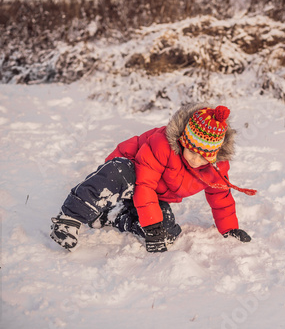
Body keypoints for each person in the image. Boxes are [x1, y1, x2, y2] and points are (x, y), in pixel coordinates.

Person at [49, 104, 256, 253]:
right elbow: (144, 183)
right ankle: (70, 218)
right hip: (126, 177)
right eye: (192, 152)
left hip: (153, 193)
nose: (196, 160)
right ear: (183, 141)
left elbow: (221, 196)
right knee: (121, 176)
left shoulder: (215, 167)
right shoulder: (161, 145)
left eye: (204, 156)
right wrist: (151, 223)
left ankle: (113, 216)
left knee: (167, 232)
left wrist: (230, 229)